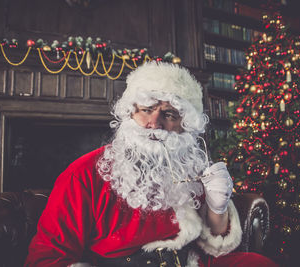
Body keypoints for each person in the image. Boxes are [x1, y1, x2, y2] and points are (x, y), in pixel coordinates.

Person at [24, 62, 277, 267]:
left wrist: (218, 206)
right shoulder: (83, 173)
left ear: (185, 126)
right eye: (146, 110)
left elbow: (214, 247)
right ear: (129, 113)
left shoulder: (189, 168)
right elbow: (45, 258)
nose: (154, 124)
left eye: (168, 114)